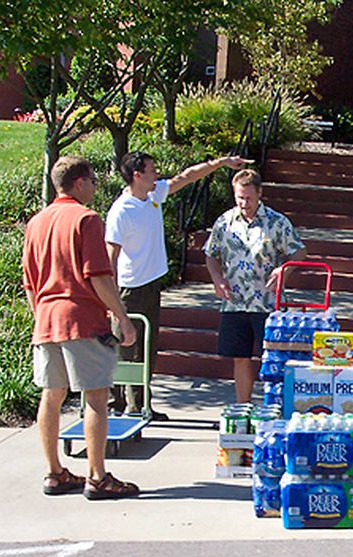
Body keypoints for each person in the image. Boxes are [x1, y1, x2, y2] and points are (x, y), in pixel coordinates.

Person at [22, 156, 140, 501]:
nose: (94, 185)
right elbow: (98, 276)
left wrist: (40, 314)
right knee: (96, 398)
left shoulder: (37, 222)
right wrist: (121, 316)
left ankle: (55, 472)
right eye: (91, 180)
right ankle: (98, 476)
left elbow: (29, 282)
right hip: (83, 320)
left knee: (52, 394)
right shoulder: (87, 220)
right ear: (78, 183)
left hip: (46, 319)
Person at [105, 151, 252, 419]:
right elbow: (110, 258)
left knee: (148, 346)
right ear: (137, 175)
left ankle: (141, 404)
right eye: (151, 170)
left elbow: (186, 177)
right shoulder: (121, 211)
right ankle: (118, 405)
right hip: (128, 289)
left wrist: (220, 163)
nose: (157, 174)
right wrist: (112, 302)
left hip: (151, 284)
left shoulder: (152, 196)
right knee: (126, 347)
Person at [204, 168, 307, 403]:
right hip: (235, 302)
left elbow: (299, 250)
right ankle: (243, 407)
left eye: (249, 198)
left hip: (266, 301)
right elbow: (211, 254)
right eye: (240, 197)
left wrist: (284, 269)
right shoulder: (225, 222)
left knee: (270, 356)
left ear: (259, 193)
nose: (244, 203)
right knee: (239, 357)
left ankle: (271, 407)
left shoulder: (276, 221)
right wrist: (217, 278)